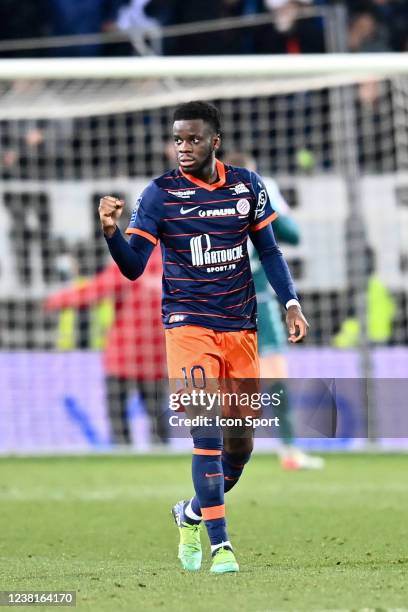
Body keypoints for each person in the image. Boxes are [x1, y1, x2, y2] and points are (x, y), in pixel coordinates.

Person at [98, 100, 308, 574]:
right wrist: (111, 232)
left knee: (240, 450)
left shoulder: (247, 186)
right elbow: (134, 268)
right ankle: (221, 546)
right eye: (177, 140)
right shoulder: (159, 195)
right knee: (206, 435)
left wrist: (291, 302)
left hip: (240, 326)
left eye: (193, 139)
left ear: (215, 141)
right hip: (188, 327)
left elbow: (271, 251)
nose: (184, 148)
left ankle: (190, 513)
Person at [224, 152, 324, 469]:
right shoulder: (259, 203)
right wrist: (276, 207)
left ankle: (224, 451)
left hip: (220, 303)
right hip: (258, 303)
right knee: (274, 377)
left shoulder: (213, 203)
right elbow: (292, 235)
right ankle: (289, 450)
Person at [45, 250, 169, 446]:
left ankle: (123, 456)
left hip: (123, 357)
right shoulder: (173, 259)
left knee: (118, 417)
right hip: (155, 359)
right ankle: (161, 453)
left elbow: (94, 291)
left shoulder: (132, 257)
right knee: (157, 418)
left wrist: (54, 301)